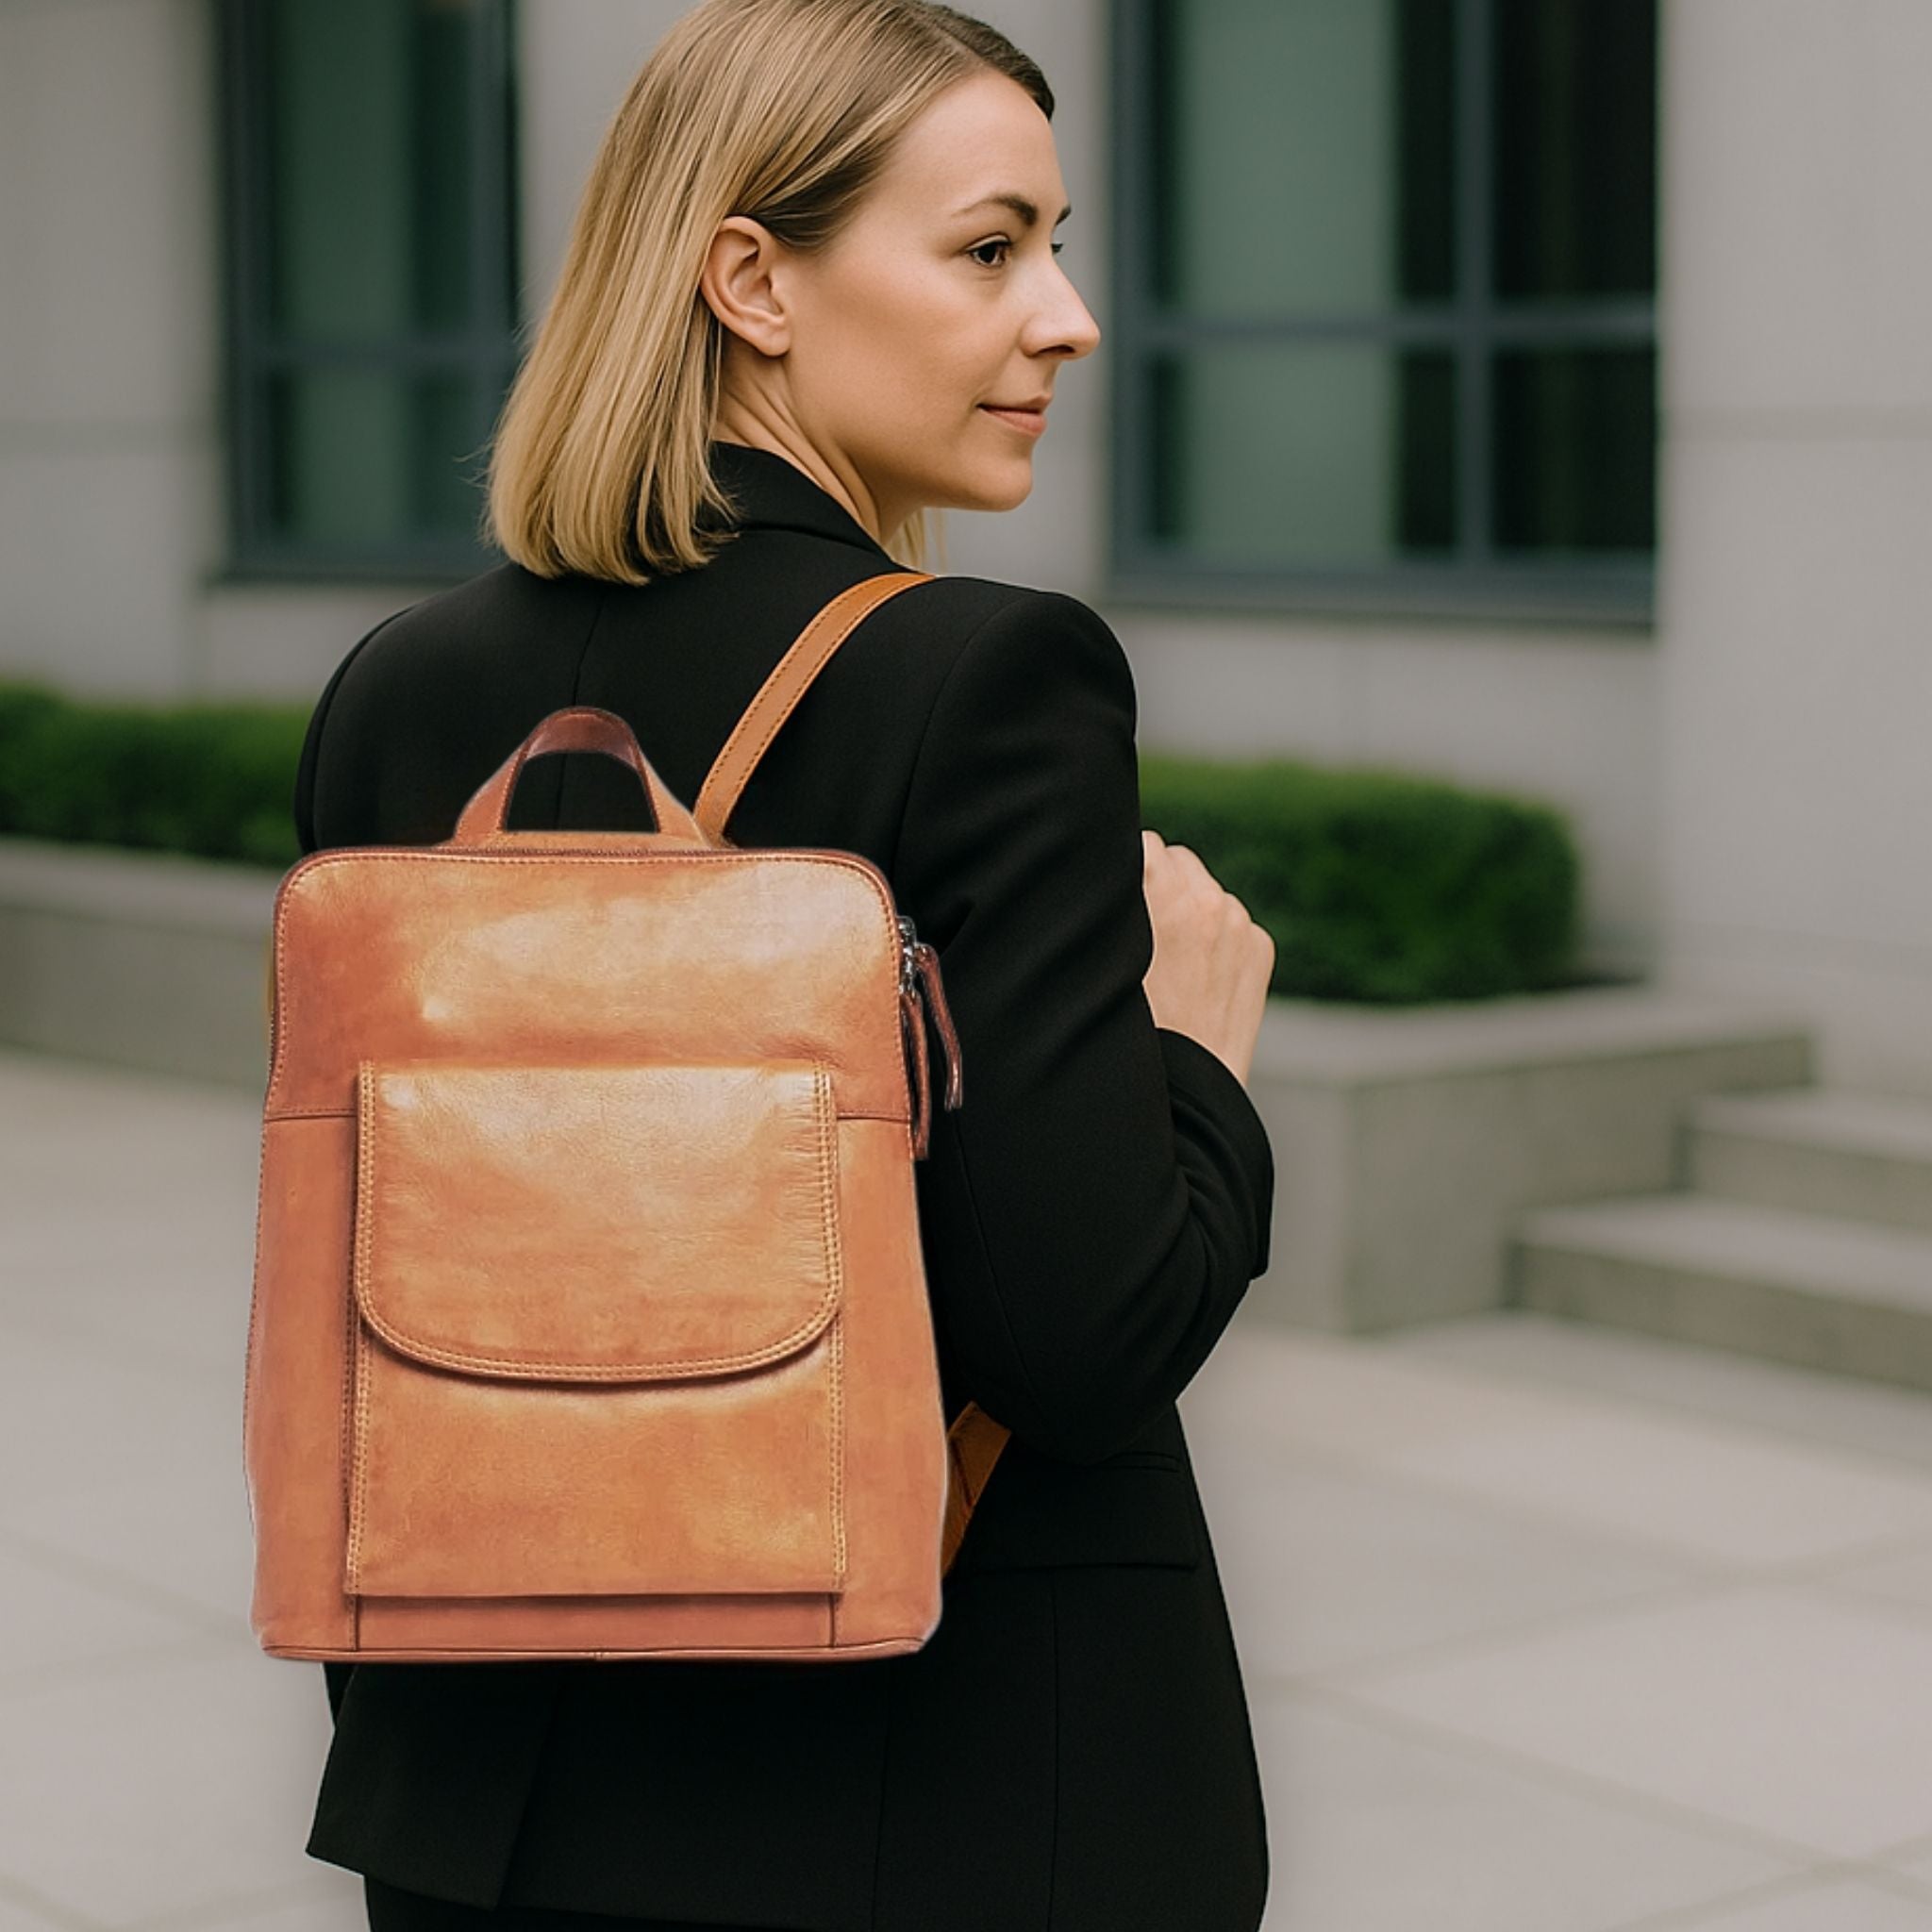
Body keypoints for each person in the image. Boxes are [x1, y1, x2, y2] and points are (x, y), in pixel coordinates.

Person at [291, 3, 1277, 1927]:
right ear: (750, 275)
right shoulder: (982, 678)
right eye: (991, 246)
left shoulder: (395, 695)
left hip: (480, 1797)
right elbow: (1089, 1336)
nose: (1064, 316)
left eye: (1055, 248)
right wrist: (1194, 1063)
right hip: (936, 1797)